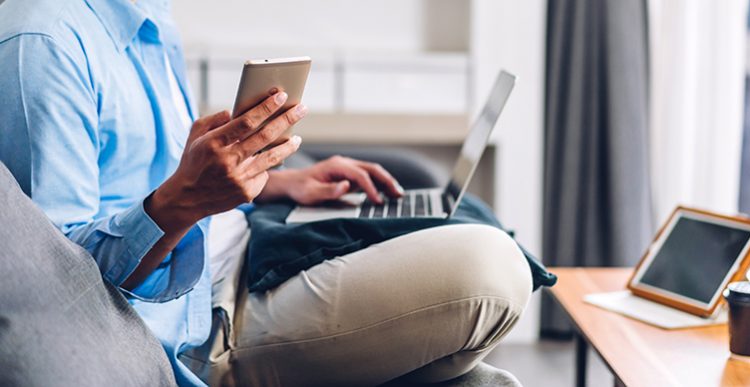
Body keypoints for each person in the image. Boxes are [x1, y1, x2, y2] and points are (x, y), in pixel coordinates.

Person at [0, 0, 532, 386]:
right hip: (204, 316)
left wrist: (279, 183)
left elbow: (154, 177)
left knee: (471, 219)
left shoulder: (144, 16)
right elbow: (61, 291)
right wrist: (186, 200)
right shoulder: (43, 45)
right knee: (490, 267)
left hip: (242, 242)